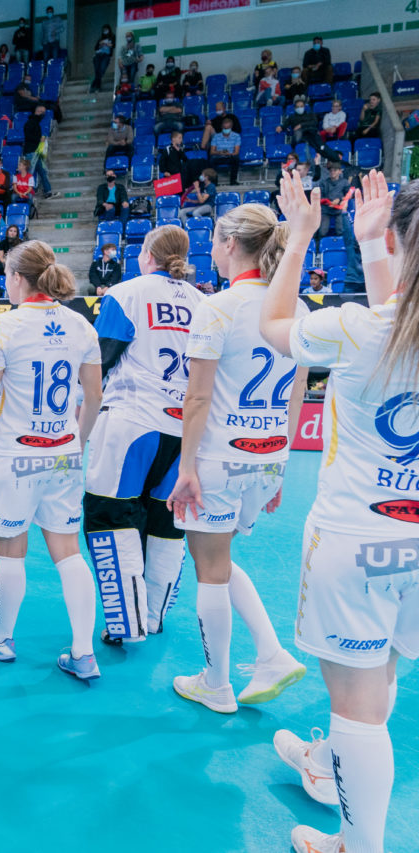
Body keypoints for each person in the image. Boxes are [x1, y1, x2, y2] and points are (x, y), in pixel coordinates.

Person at [258, 169, 413, 853]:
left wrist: (298, 239)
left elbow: (273, 327)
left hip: (356, 538)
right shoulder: (381, 325)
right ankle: (328, 764)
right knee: (384, 675)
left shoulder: (354, 327)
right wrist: (374, 247)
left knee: (359, 704)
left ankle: (360, 842)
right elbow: (399, 322)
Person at [166, 203, 310, 713]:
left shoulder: (218, 306)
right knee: (221, 558)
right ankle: (270, 653)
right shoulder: (298, 308)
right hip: (268, 454)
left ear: (230, 244)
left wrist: (185, 470)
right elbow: (298, 393)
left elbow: (198, 398)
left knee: (208, 566)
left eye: (213, 239)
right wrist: (282, 466)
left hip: (220, 457)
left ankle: (217, 682)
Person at [0, 240, 103, 679]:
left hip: (16, 453)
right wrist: (75, 442)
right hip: (62, 451)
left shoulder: (4, 327)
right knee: (68, 552)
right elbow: (94, 396)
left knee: (11, 552)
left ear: (16, 278)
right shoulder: (81, 324)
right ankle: (84, 652)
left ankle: (1, 638)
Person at [84, 226, 204, 646]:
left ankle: (126, 622)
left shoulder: (126, 292)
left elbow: (101, 361)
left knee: (109, 513)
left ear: (147, 255)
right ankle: (152, 617)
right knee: (167, 519)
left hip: (133, 422)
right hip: (185, 429)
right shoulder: (204, 302)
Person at [317, 160, 350, 237]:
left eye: (335, 170)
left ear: (340, 171)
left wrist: (340, 200)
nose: (332, 172)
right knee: (322, 232)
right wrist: (328, 202)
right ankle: (322, 246)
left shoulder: (344, 182)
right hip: (326, 210)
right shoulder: (324, 182)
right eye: (331, 170)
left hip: (339, 210)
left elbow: (349, 195)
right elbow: (320, 196)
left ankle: (340, 246)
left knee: (340, 231)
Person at [208, 117, 241, 186]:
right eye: (224, 128)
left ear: (231, 127)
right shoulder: (216, 137)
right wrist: (220, 152)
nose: (226, 129)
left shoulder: (236, 136)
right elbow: (212, 152)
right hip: (219, 156)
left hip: (230, 156)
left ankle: (233, 181)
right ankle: (214, 182)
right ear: (221, 127)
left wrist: (229, 153)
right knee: (212, 160)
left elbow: (236, 152)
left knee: (236, 158)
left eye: (227, 128)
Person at [91, 24, 115, 92]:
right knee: (97, 71)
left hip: (106, 55)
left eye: (106, 29)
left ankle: (94, 84)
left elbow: (113, 45)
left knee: (102, 70)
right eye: (104, 30)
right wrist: (100, 44)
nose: (105, 31)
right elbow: (95, 48)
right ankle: (97, 87)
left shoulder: (112, 37)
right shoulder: (100, 38)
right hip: (98, 55)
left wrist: (107, 44)